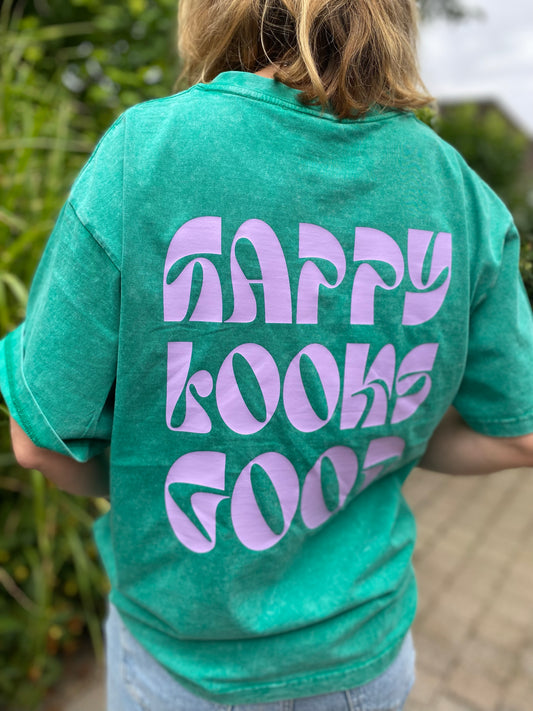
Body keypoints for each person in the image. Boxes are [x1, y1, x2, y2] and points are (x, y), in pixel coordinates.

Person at [2, 1, 533, 709]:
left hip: (183, 663)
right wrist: (375, 442)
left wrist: (157, 473)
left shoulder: (148, 153)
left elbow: (41, 441)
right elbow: (518, 435)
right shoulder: (462, 197)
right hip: (362, 658)